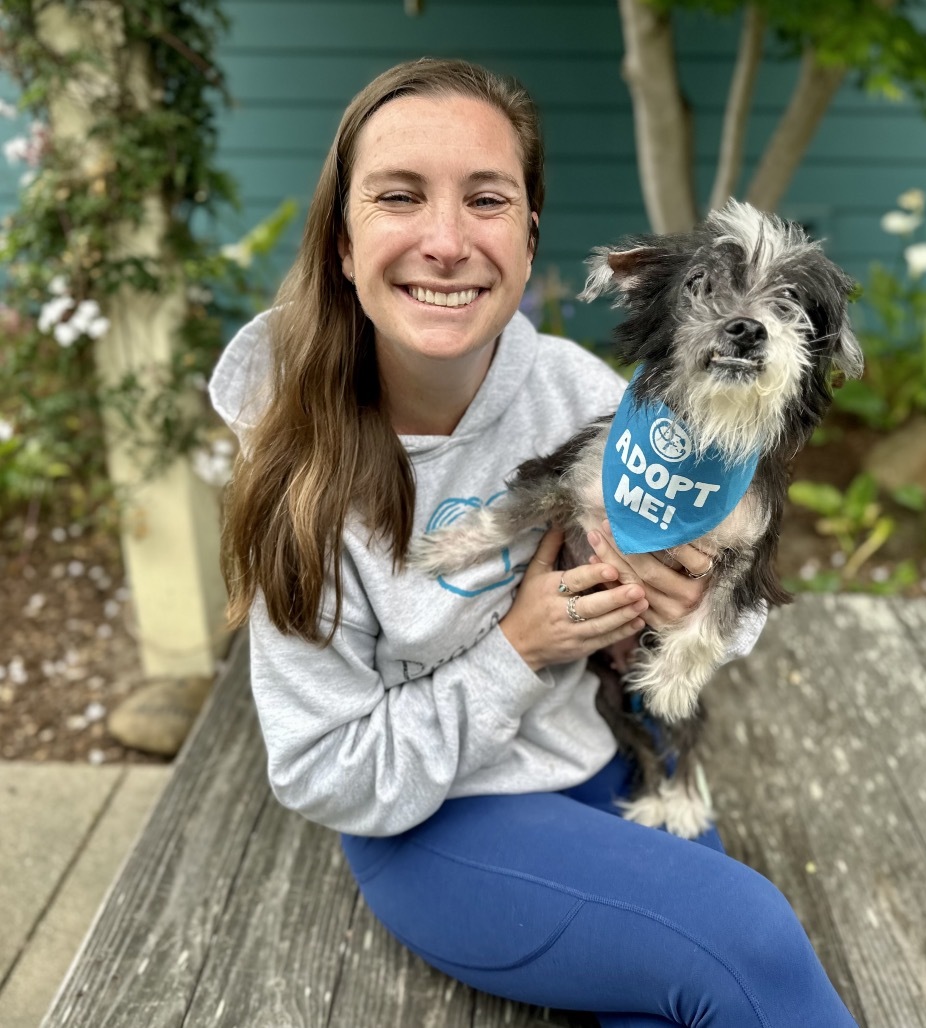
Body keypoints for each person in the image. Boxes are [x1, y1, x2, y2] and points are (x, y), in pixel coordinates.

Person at [211, 57, 857, 1027]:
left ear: (527, 237)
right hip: (436, 821)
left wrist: (692, 602)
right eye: (398, 196)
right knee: (750, 939)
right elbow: (318, 766)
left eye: (485, 198)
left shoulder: (584, 394)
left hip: (605, 760)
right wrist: (519, 649)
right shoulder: (299, 476)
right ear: (342, 244)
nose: (444, 239)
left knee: (681, 1005)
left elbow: (734, 588)